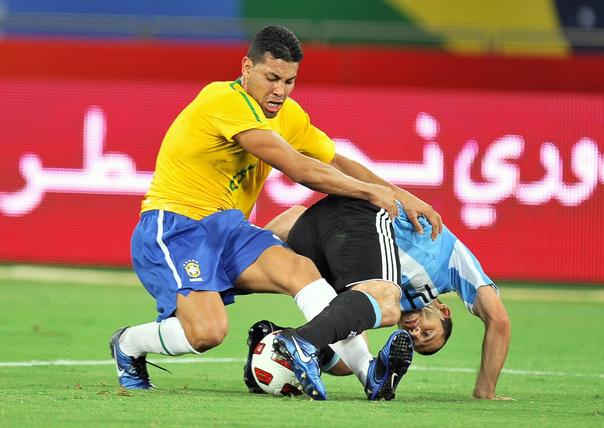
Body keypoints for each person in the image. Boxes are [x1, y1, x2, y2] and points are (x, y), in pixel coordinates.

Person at [109, 25, 443, 400]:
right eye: (271, 77)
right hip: (176, 227)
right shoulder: (222, 99)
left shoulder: (287, 115)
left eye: (289, 81)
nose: (280, 90)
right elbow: (300, 169)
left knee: (301, 270)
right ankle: (128, 345)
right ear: (247, 67)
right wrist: (372, 192)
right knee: (207, 333)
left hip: (231, 230)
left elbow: (335, 159)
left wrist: (400, 195)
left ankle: (371, 374)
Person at [246, 195, 511, 400]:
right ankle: (308, 344)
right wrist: (485, 390)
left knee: (345, 359)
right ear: (443, 311)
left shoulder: (375, 292)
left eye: (415, 341)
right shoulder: (452, 261)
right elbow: (498, 319)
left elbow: (297, 216)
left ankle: (271, 339)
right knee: (387, 306)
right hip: (356, 218)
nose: (416, 334)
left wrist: (249, 246)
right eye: (427, 334)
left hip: (324, 240)